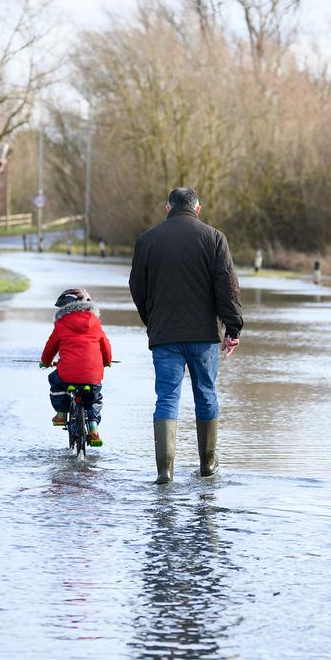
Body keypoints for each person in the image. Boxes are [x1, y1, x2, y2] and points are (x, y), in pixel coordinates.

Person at [129, 187, 244, 483]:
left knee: (167, 397)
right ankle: (208, 465)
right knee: (206, 394)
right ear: (198, 209)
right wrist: (233, 329)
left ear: (166, 208)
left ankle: (164, 471)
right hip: (204, 335)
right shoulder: (215, 238)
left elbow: (137, 289)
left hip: (165, 334)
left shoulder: (147, 241)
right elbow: (227, 287)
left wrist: (151, 321)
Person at [40, 288, 113, 447]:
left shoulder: (61, 324)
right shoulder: (95, 323)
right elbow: (105, 346)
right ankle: (93, 428)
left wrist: (45, 361)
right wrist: (107, 361)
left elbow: (51, 347)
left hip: (67, 374)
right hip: (93, 375)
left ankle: (60, 414)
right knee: (94, 398)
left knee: (54, 380)